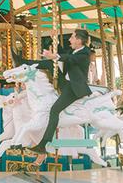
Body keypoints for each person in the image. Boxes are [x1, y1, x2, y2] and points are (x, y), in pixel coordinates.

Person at [13, 29, 92, 165]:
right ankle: (24, 62)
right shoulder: (75, 50)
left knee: (54, 110)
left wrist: (54, 55)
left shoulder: (85, 53)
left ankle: (43, 144)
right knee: (50, 64)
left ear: (79, 40)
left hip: (74, 88)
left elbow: (69, 58)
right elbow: (64, 54)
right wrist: (54, 40)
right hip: (66, 83)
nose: (69, 40)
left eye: (72, 38)